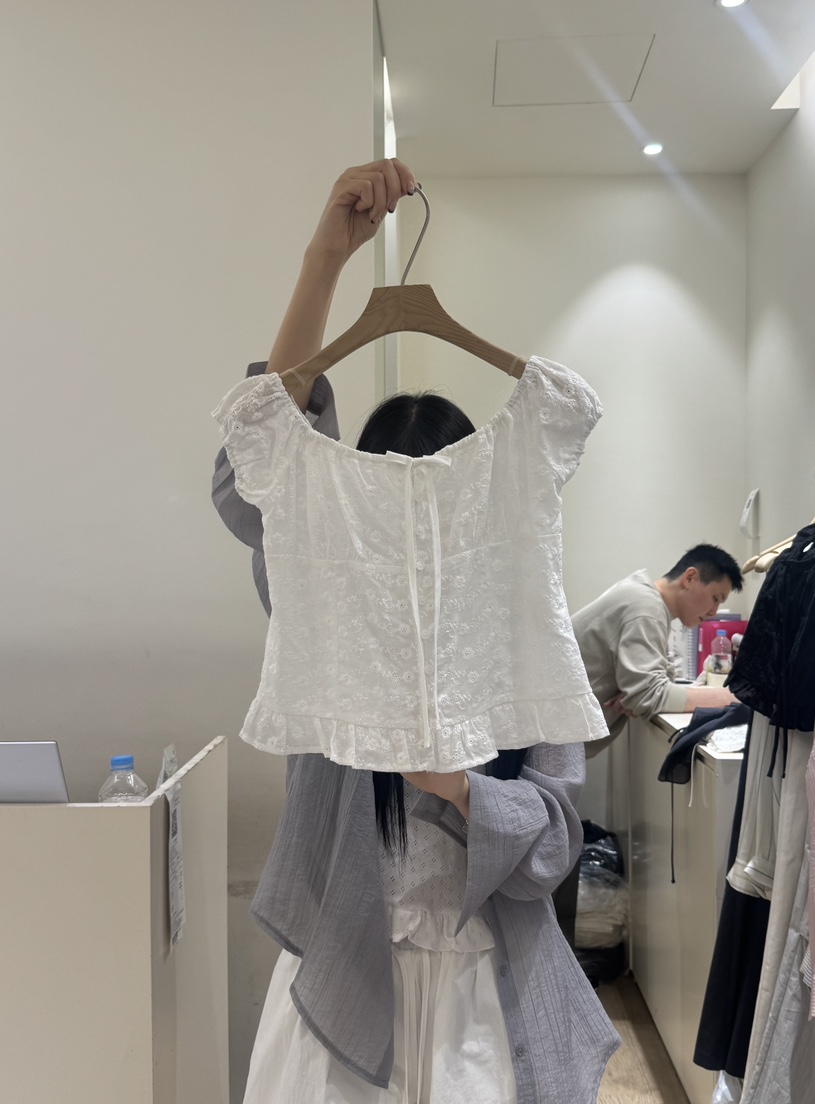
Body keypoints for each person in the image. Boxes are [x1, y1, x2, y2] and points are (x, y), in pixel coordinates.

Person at [212, 159, 619, 1103]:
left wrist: (457, 785)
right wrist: (324, 264)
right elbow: (258, 468)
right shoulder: (328, 598)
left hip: (485, 987)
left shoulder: (521, 619)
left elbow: (554, 840)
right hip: (344, 969)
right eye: (384, 516)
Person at [571, 544, 744, 754]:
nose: (713, 613)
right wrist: (730, 697)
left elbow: (655, 686)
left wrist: (637, 695)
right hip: (550, 742)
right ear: (690, 578)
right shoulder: (646, 608)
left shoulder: (647, 600)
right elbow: (648, 696)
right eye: (715, 598)